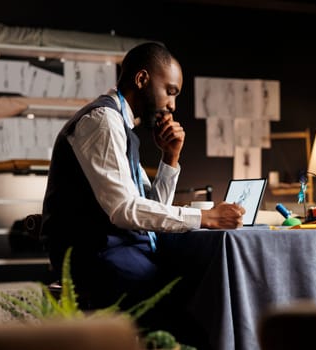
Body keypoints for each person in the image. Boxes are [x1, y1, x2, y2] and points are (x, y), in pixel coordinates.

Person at [40, 42, 246, 311]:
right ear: (141, 79)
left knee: (205, 281)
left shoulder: (123, 129)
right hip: (96, 259)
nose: (172, 105)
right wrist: (207, 218)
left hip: (121, 251)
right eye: (170, 92)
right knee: (201, 293)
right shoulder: (103, 121)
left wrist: (169, 158)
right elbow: (124, 210)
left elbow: (146, 211)